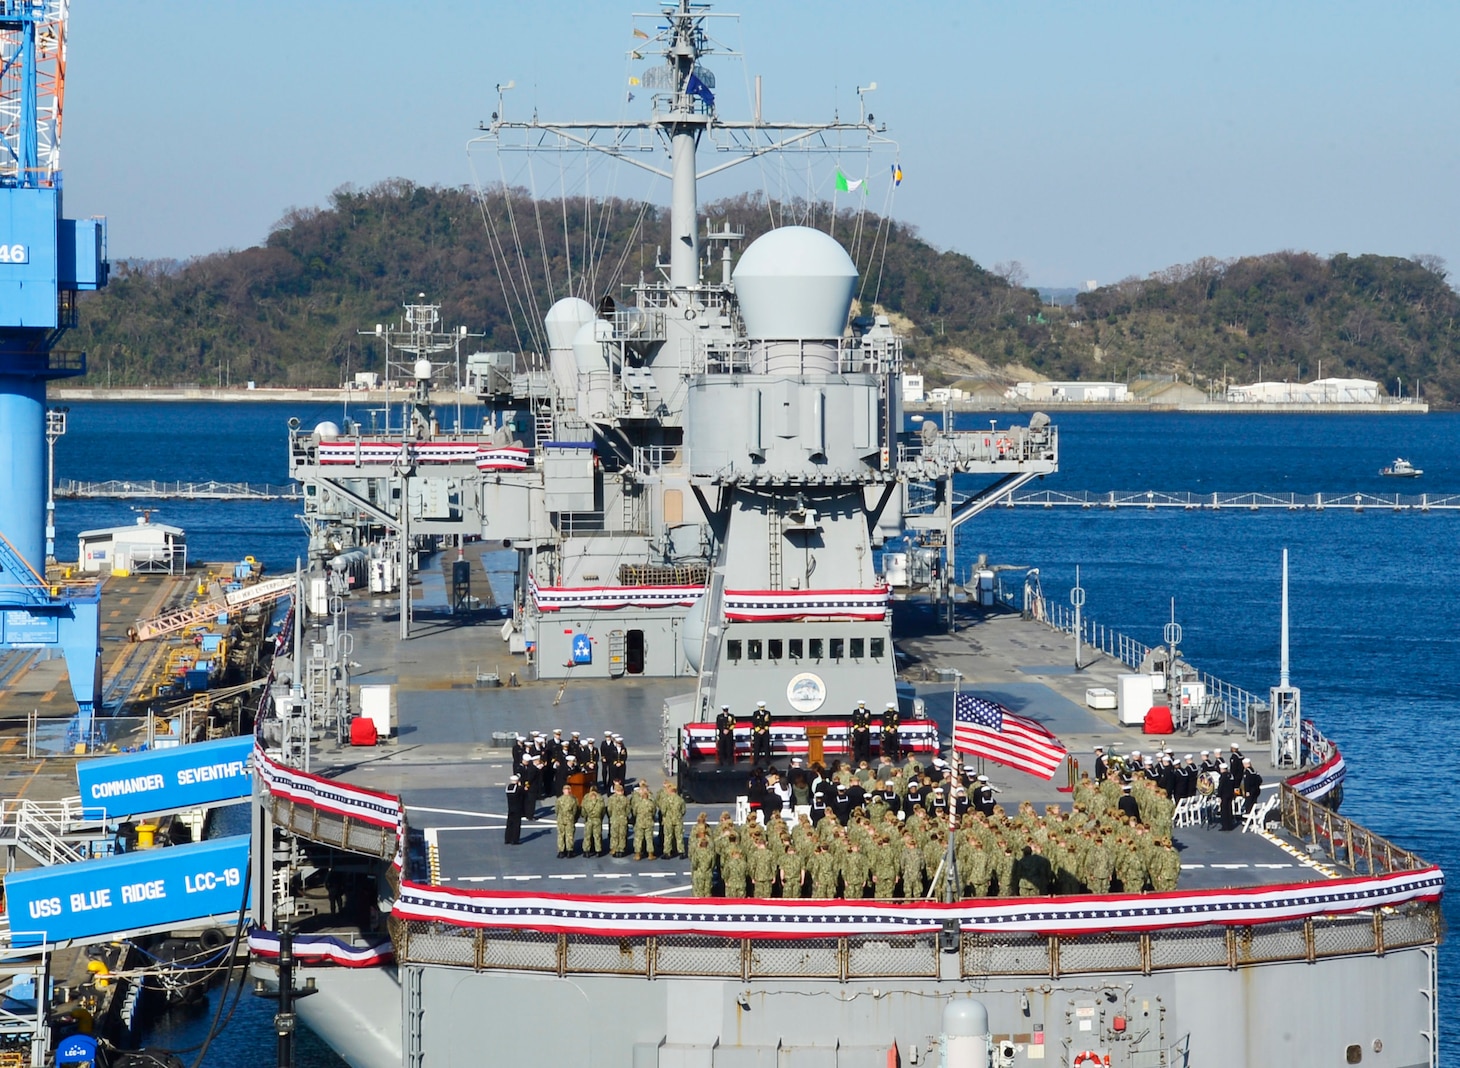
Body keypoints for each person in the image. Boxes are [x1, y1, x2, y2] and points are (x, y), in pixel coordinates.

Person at [658, 781, 687, 858]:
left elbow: (663, 810)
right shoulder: (680, 800)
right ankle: (681, 852)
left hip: (668, 820)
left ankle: (667, 852)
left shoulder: (666, 800)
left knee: (668, 836)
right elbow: (683, 811)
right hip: (678, 820)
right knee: (679, 836)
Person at [631, 781, 658, 859]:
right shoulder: (651, 803)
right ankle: (650, 854)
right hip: (649, 822)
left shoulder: (638, 803)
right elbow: (654, 812)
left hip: (639, 822)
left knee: (638, 838)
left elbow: (634, 812)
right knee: (649, 839)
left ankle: (637, 854)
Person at [607, 780, 631, 857]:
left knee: (614, 835)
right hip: (623, 819)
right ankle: (621, 850)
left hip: (614, 819)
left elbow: (609, 810)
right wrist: (624, 815)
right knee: (622, 835)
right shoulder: (626, 799)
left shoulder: (611, 799)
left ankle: (614, 849)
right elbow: (628, 810)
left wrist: (612, 816)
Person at [581, 784, 606, 857]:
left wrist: (585, 817)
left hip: (589, 819)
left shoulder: (586, 798)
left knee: (587, 836)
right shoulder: (600, 798)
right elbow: (603, 810)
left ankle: (586, 851)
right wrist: (600, 818)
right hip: (597, 819)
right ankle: (598, 850)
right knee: (597, 836)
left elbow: (583, 810)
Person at [555, 785, 580, 858]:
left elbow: (556, 810)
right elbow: (575, 810)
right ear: (570, 791)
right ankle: (569, 851)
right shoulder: (573, 800)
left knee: (560, 835)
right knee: (569, 835)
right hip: (570, 819)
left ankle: (561, 851)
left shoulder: (559, 799)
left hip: (561, 819)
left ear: (563, 791)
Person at [504, 774, 527, 845]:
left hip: (510, 808)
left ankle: (507, 839)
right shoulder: (518, 788)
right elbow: (523, 794)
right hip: (517, 808)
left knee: (509, 824)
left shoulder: (508, 787)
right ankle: (515, 840)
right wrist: (521, 786)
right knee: (516, 824)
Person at [850, 700, 872, 765]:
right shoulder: (855, 712)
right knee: (857, 744)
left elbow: (869, 721)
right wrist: (858, 728)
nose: (862, 705)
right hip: (858, 730)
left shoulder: (867, 711)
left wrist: (864, 727)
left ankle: (866, 758)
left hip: (865, 730)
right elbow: (853, 720)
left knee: (866, 744)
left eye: (863, 704)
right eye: (860, 704)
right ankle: (857, 758)